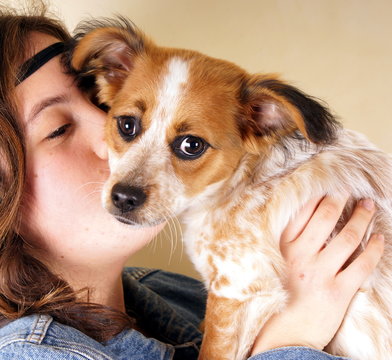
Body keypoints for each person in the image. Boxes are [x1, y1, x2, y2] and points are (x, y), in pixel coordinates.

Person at [0, 3, 384, 359]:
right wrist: (291, 339)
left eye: (103, 105)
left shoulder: (169, 291)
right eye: (59, 128)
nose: (107, 134)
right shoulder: (31, 352)